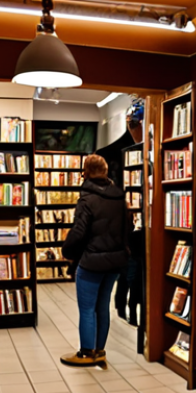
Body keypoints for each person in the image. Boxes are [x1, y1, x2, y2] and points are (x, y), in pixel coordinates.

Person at [60, 154, 130, 368]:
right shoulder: (120, 198)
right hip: (115, 261)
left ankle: (86, 353)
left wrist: (67, 251)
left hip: (91, 262)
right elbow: (128, 228)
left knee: (87, 308)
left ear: (86, 172)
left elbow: (79, 232)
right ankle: (99, 351)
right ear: (106, 171)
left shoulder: (87, 199)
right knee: (103, 306)